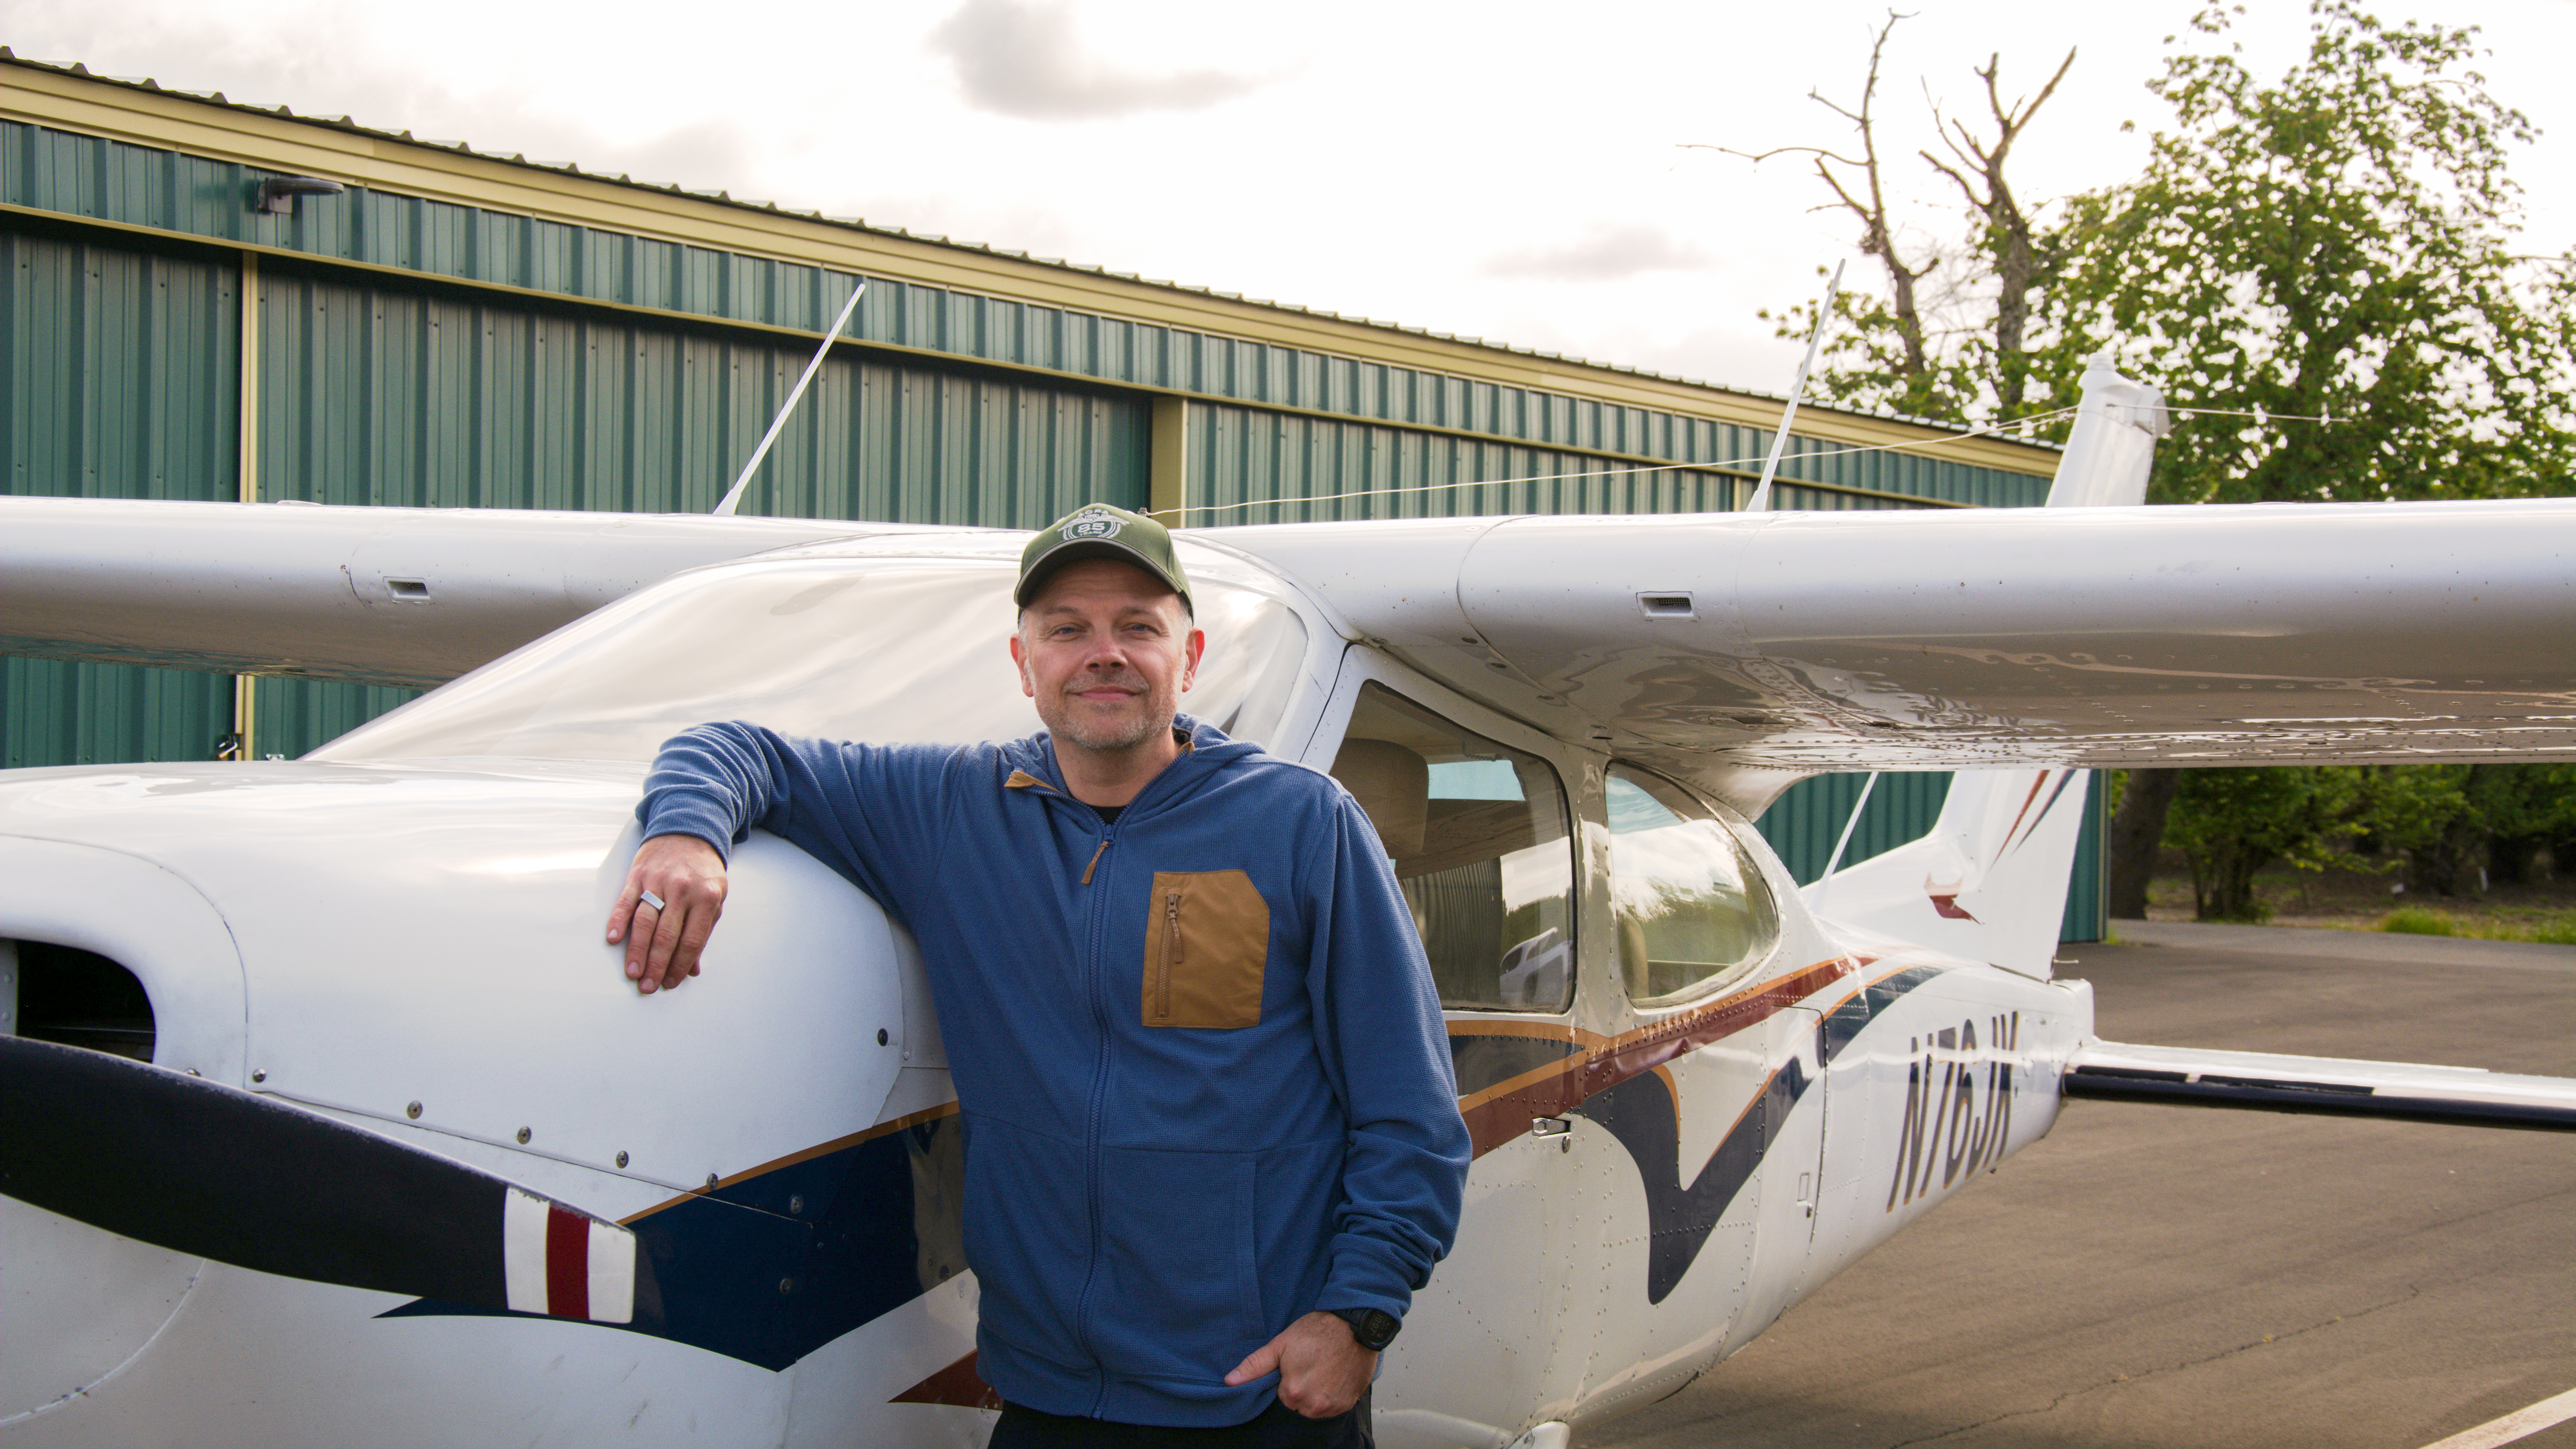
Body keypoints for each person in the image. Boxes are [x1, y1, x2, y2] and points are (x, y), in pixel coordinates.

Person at [605, 503, 1471, 1447]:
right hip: (1047, 1393)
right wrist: (685, 832)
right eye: (1067, 630)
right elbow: (734, 749)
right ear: (1024, 664)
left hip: (1258, 1394)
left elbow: (1411, 1112)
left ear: (1190, 658)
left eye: (1138, 627)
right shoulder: (951, 810)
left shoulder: (1302, 824)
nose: (1105, 654)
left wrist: (1359, 1315)